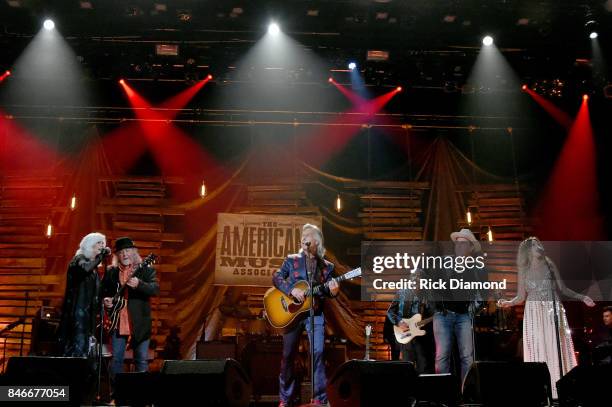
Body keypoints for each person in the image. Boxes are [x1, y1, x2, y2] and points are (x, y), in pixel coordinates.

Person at [498, 237, 595, 398]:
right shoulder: (524, 269)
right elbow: (520, 296)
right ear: (528, 250)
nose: (539, 246)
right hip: (534, 311)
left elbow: (563, 288)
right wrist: (508, 302)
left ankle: (562, 388)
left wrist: (582, 297)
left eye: (539, 243)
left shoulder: (549, 263)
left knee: (555, 344)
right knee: (539, 345)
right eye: (535, 244)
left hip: (552, 309)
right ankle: (542, 389)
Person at [272, 224, 339, 407]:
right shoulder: (292, 260)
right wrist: (291, 290)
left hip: (315, 313)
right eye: (302, 235)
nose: (303, 237)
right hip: (291, 314)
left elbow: (325, 291)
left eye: (308, 235)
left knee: (318, 352)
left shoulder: (326, 267)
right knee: (288, 355)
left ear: (316, 241)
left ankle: (319, 399)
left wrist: (333, 292)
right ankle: (286, 398)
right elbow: (276, 277)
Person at [101, 237, 159, 387]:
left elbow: (155, 289)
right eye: (121, 252)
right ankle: (117, 393)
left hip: (139, 323)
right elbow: (102, 292)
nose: (124, 254)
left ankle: (141, 395)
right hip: (118, 322)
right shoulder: (111, 273)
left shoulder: (145, 270)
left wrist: (139, 284)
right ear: (117, 255)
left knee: (141, 360)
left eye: (128, 251)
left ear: (134, 252)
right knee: (116, 360)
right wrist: (105, 300)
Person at [432, 228, 487, 384]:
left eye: (463, 244)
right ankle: (443, 394)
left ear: (470, 248)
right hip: (443, 315)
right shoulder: (444, 263)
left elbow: (482, 292)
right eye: (457, 244)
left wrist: (472, 309)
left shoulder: (477, 268)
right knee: (442, 355)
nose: (459, 247)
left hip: (464, 316)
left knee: (467, 356)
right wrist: (436, 306)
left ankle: (466, 393)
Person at [58, 232, 109, 358]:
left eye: (103, 243)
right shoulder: (79, 259)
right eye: (99, 242)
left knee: (87, 350)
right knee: (77, 347)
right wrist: (100, 258)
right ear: (90, 244)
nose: (102, 245)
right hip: (77, 314)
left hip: (88, 315)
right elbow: (85, 268)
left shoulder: (95, 269)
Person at [386, 271, 433, 373]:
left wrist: (427, 320)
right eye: (416, 283)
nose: (418, 286)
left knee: (423, 365)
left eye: (420, 283)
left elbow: (431, 313)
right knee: (407, 365)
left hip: (421, 336)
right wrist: (399, 322)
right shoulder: (402, 293)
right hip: (405, 334)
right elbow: (390, 312)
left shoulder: (426, 296)